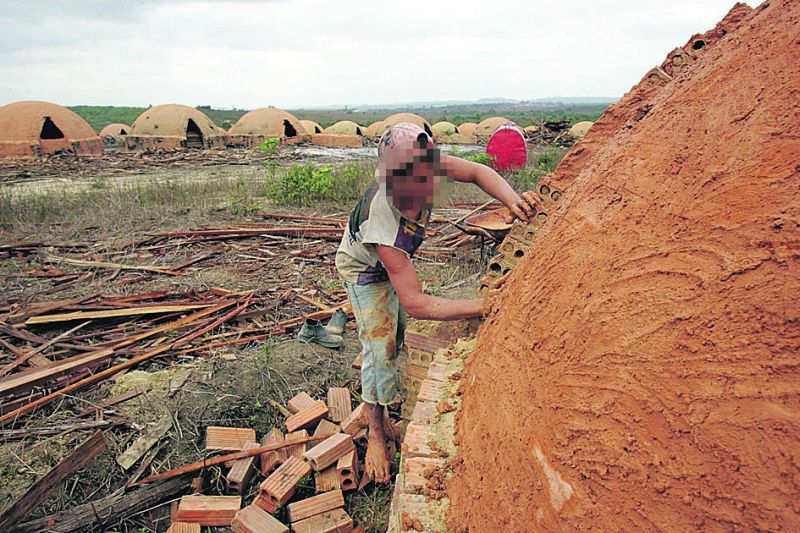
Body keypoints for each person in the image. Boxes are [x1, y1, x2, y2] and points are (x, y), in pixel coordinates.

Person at [335, 122, 538, 483]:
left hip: (395, 265)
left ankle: (385, 394)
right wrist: (481, 305)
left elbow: (477, 172)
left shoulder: (427, 165)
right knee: (379, 347)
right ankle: (376, 433)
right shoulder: (382, 221)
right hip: (365, 270)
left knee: (396, 338)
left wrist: (515, 202)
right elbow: (416, 303)